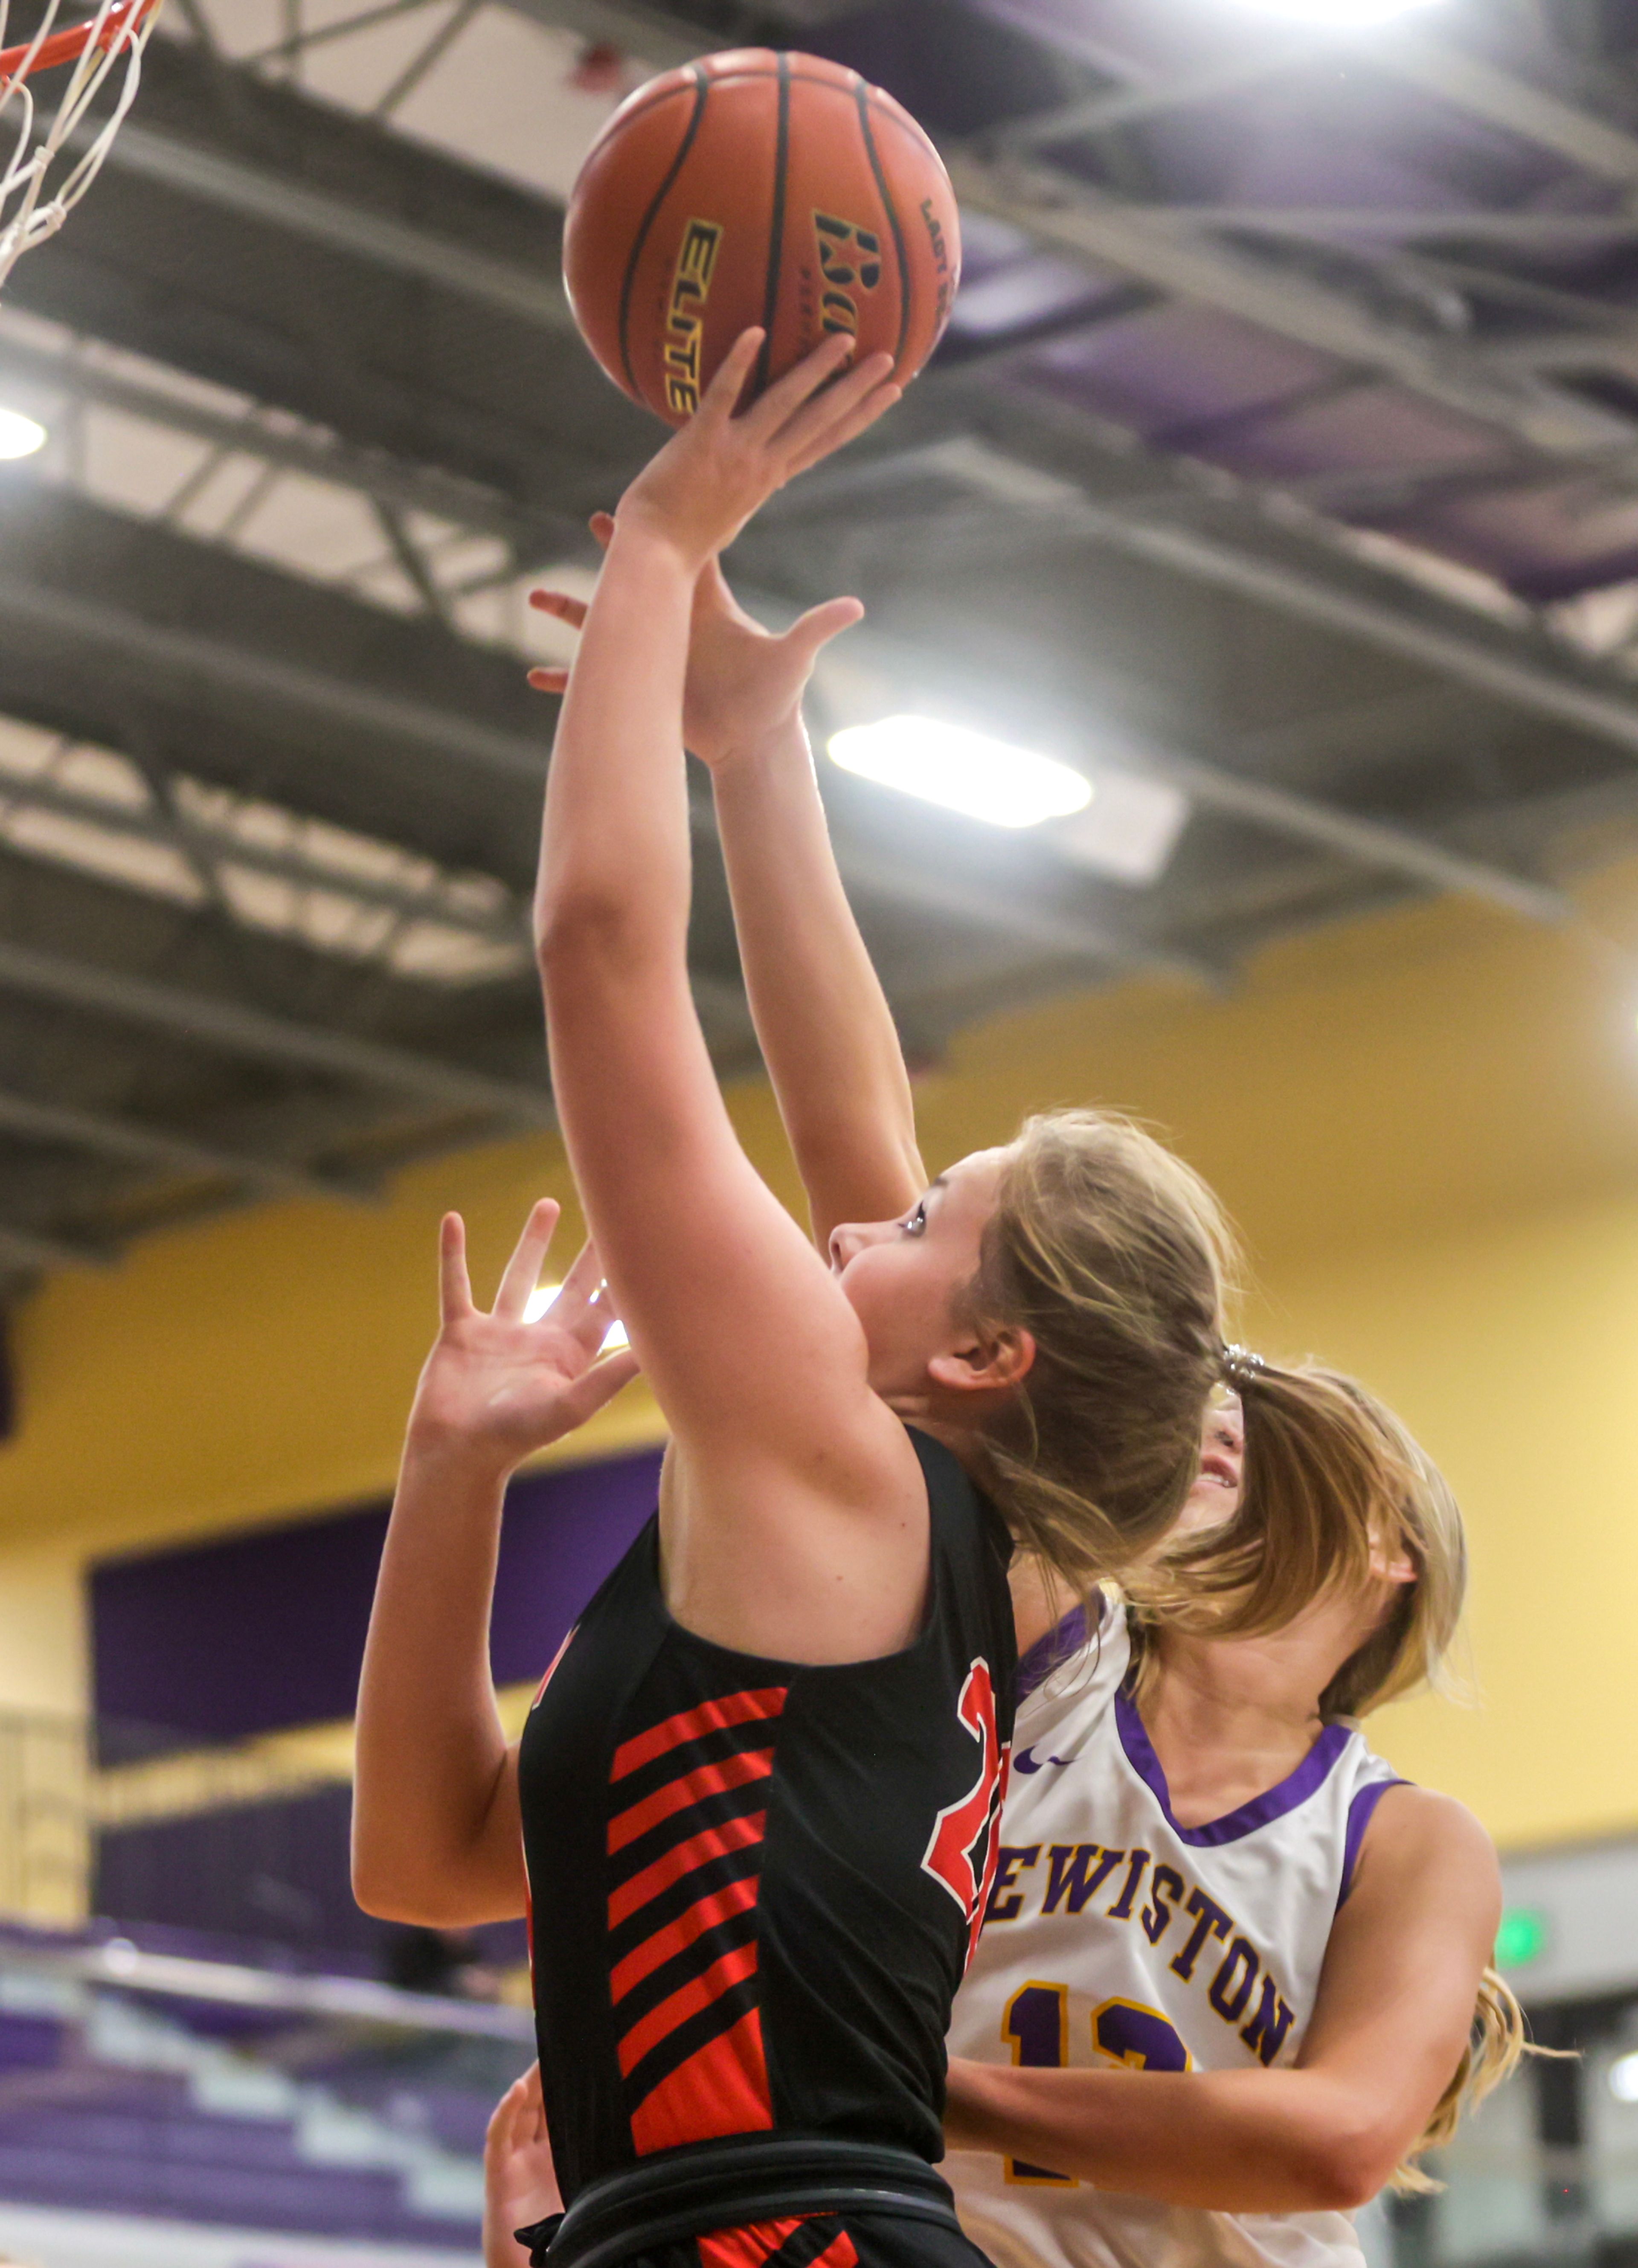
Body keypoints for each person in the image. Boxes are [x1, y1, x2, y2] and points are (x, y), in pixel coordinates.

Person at [353, 331, 1241, 2268]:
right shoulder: (917, 1541)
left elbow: (604, 954)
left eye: (927, 1219)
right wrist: (453, 1469)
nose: (861, 1216)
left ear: (986, 1353)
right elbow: (425, 1859)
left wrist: (664, 549)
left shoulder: (849, 1485)